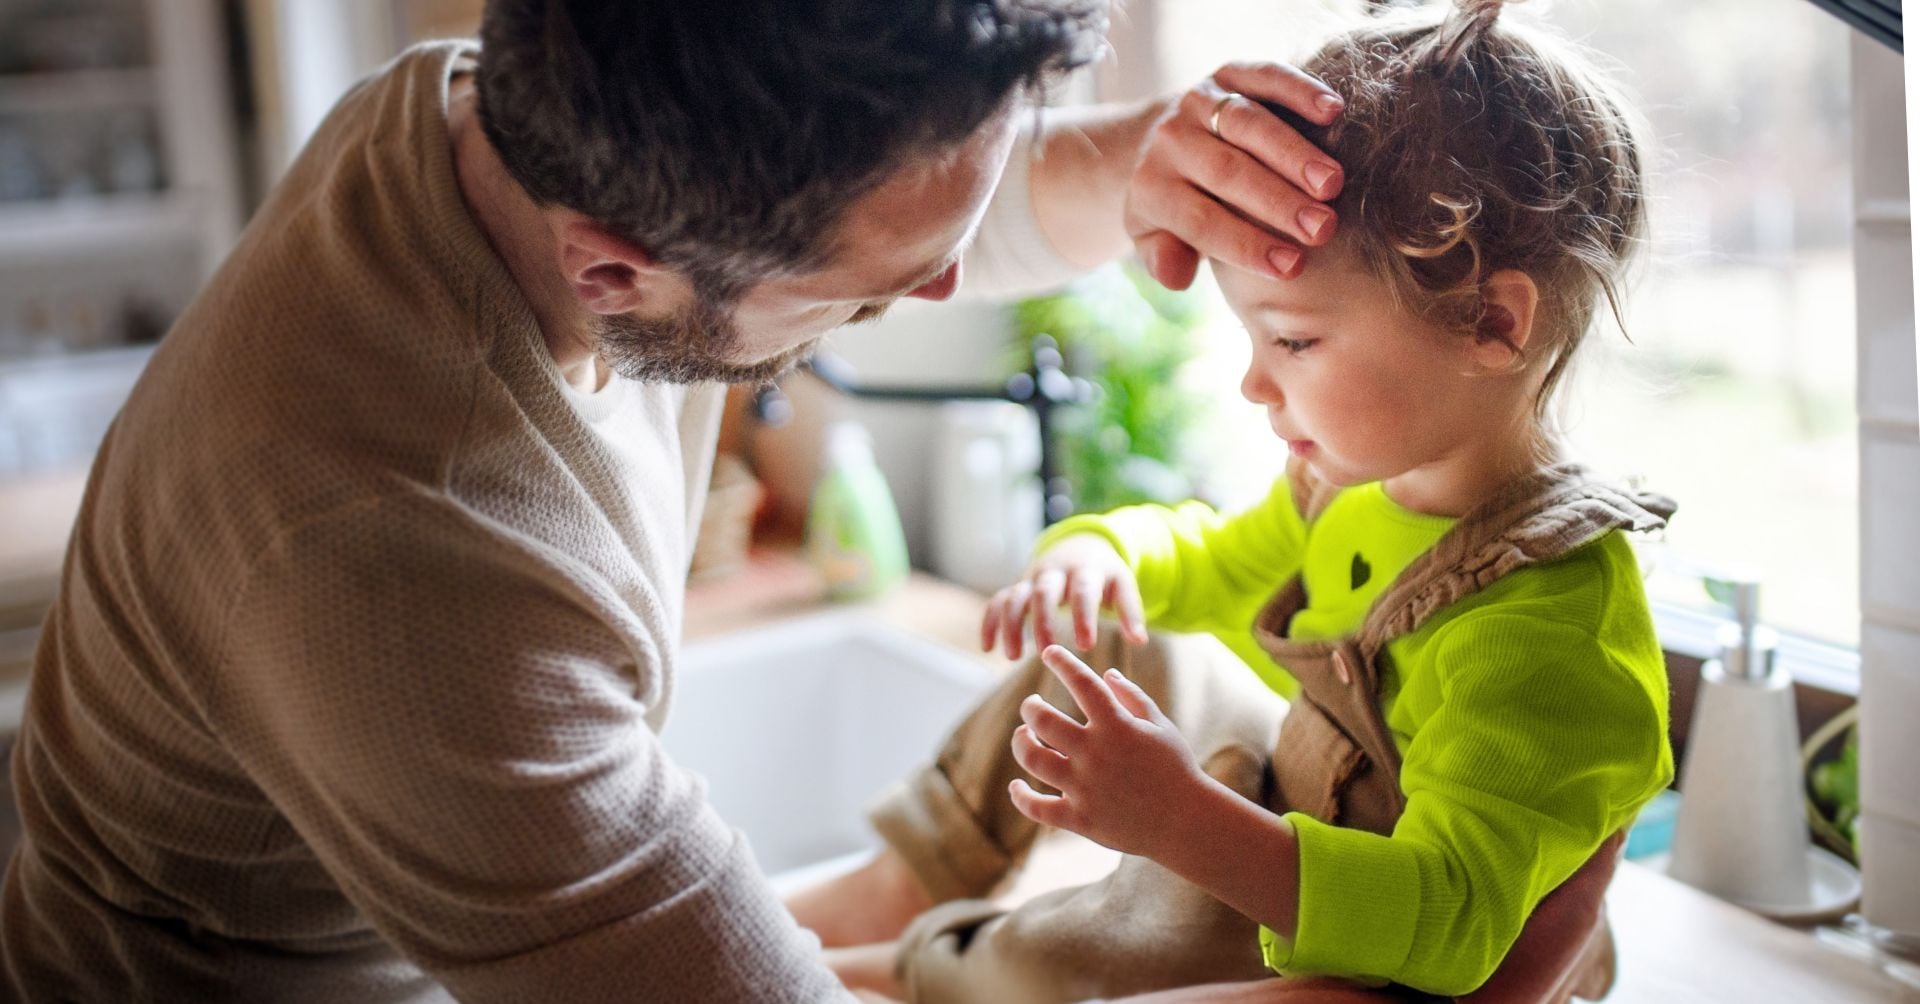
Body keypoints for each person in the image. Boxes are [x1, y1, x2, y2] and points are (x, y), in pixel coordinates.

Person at [0, 2, 1359, 1000]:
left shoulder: (501, 115)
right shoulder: (410, 551)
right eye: (873, 295)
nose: (939, 293)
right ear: (613, 274)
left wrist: (1154, 163)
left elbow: (926, 212)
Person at [792, 2, 1676, 1000]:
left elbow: (1448, 921)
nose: (1256, 384)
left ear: (1490, 320)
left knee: (1089, 951)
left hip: (1376, 950)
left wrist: (1177, 818)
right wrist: (1106, 556)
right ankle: (895, 904)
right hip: (1299, 823)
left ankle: (906, 973)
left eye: (1293, 342)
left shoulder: (1550, 635)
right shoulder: (1355, 481)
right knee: (1123, 642)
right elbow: (1214, 565)